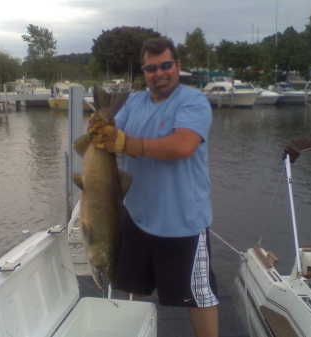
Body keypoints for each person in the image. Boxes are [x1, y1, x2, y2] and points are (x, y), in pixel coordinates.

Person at [90, 37, 218, 337]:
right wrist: (100, 127)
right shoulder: (134, 102)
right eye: (151, 68)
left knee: (199, 297)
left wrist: (125, 143)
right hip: (136, 218)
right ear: (143, 71)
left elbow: (183, 145)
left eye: (165, 66)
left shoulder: (192, 101)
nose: (159, 73)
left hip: (183, 223)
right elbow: (111, 134)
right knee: (132, 287)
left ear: (177, 66)